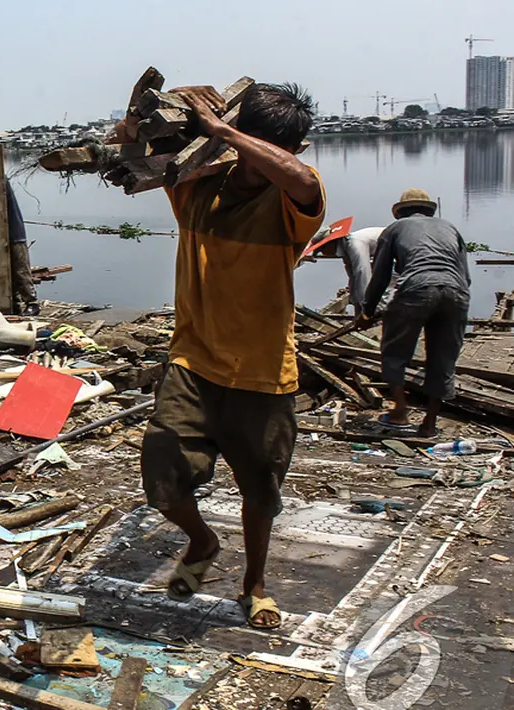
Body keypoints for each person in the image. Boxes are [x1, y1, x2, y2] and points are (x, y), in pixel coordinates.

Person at [136, 83, 325, 630]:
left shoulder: (292, 204)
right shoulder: (197, 186)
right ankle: (202, 542)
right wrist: (154, 112)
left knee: (261, 491)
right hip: (193, 362)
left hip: (264, 372)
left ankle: (255, 584)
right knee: (163, 476)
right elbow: (133, 147)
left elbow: (303, 179)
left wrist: (223, 132)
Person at [357, 189, 470, 438]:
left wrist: (366, 311)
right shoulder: (450, 227)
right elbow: (466, 276)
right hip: (457, 291)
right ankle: (430, 424)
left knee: (394, 351)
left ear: (400, 212)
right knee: (444, 358)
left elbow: (381, 275)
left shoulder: (395, 229)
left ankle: (400, 411)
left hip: (416, 288)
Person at [5, 178, 38, 315]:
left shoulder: (0, 181)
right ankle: (15, 304)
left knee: (20, 270)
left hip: (15, 234)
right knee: (6, 272)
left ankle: (32, 303)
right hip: (0, 235)